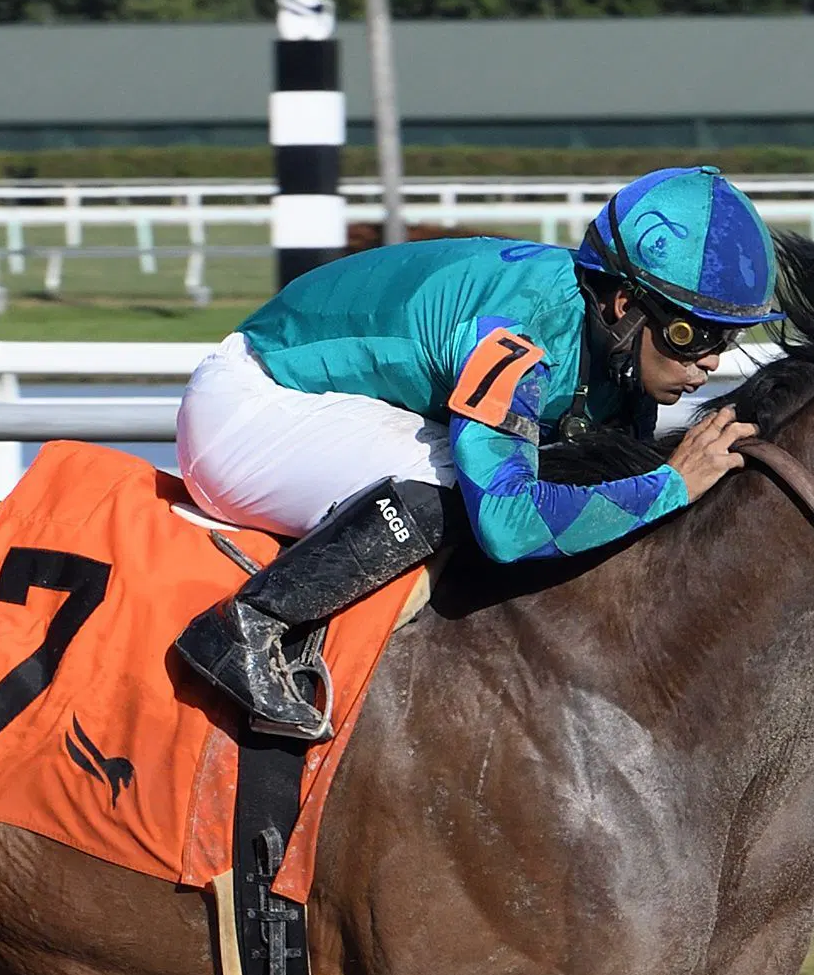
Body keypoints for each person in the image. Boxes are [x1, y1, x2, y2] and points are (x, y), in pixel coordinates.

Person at [170, 164, 779, 742]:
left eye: (726, 338)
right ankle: (249, 625)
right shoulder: (518, 337)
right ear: (625, 305)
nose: (710, 361)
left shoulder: (612, 352)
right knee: (463, 483)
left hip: (330, 404)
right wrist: (672, 484)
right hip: (249, 409)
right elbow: (507, 527)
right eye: (692, 335)